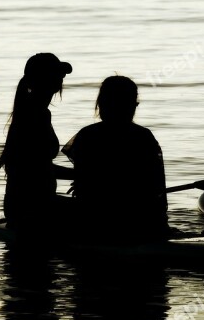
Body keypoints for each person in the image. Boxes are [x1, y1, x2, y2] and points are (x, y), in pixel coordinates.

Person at [63, 76, 169, 242]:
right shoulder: (144, 137)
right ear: (133, 105)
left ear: (101, 104)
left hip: (95, 223)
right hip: (139, 222)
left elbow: (82, 186)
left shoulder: (87, 135)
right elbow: (157, 189)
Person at [0, 53, 74, 230]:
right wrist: (81, 175)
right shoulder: (33, 114)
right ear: (40, 80)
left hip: (40, 202)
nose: (60, 79)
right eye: (55, 74)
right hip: (29, 208)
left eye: (61, 75)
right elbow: (34, 167)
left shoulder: (38, 111)